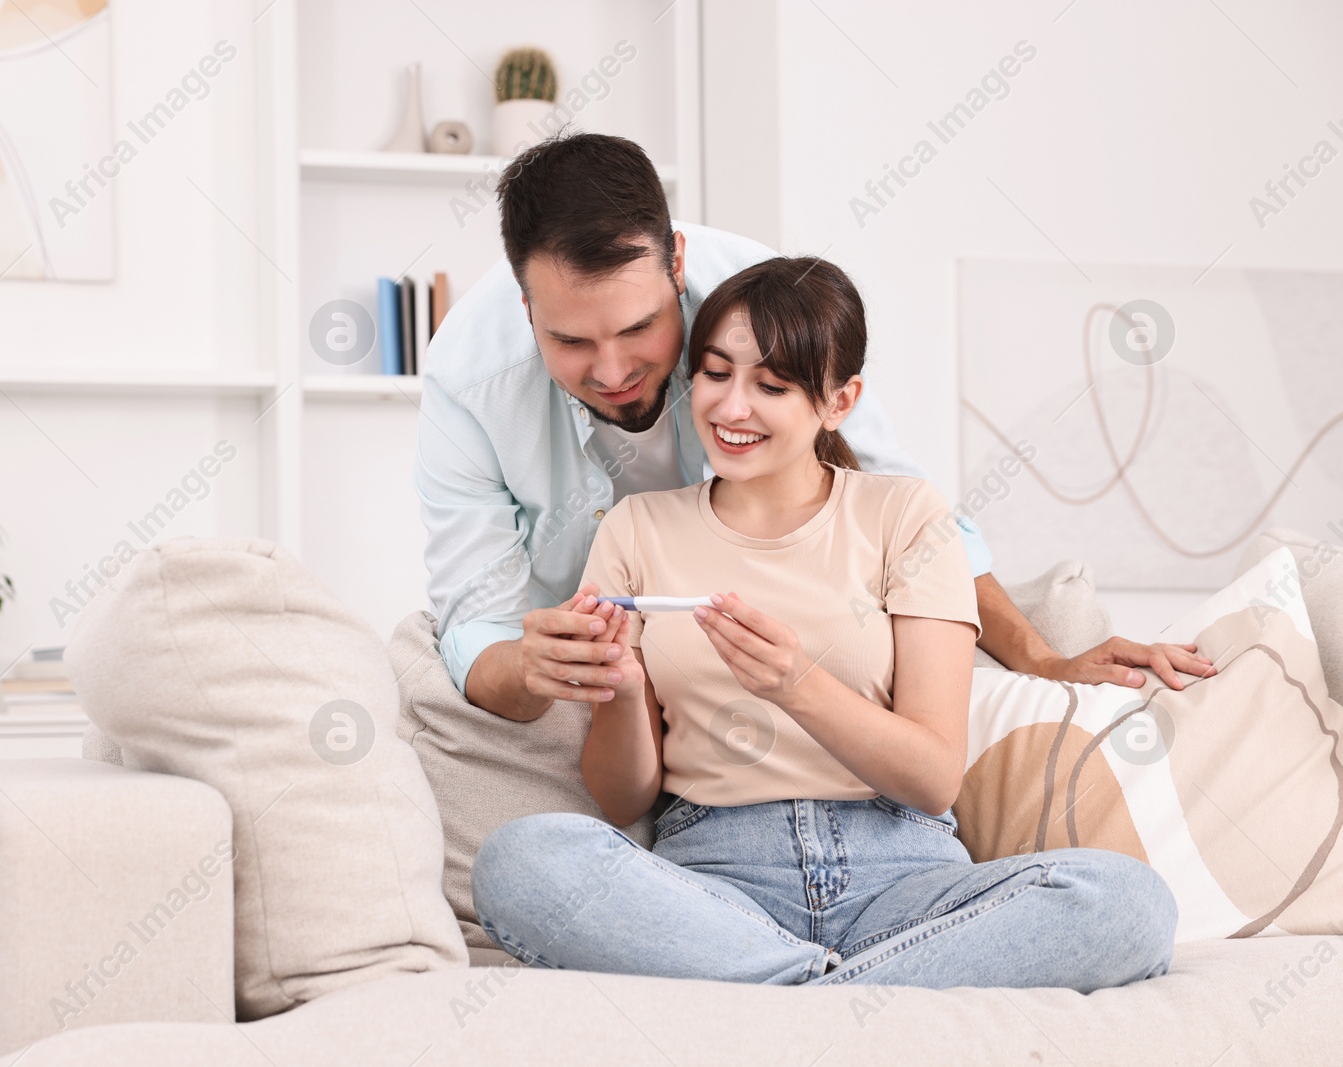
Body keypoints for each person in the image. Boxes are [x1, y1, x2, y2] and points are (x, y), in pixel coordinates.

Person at [467, 256, 1180, 988]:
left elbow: (934, 779)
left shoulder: (907, 516)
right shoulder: (635, 529)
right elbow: (622, 800)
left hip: (903, 874)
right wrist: (619, 689)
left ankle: (785, 991)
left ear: (840, 402)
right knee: (519, 860)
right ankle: (853, 992)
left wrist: (796, 683)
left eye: (771, 386)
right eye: (715, 373)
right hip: (717, 887)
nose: (731, 408)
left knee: (1129, 902)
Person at [414, 131, 1214, 724]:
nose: (616, 368)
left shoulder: (758, 303)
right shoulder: (468, 381)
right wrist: (531, 667)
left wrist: (1044, 659)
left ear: (678, 265)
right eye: (571, 341)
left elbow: (904, 509)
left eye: (640, 328)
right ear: (526, 311)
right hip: (612, 691)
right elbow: (475, 622)